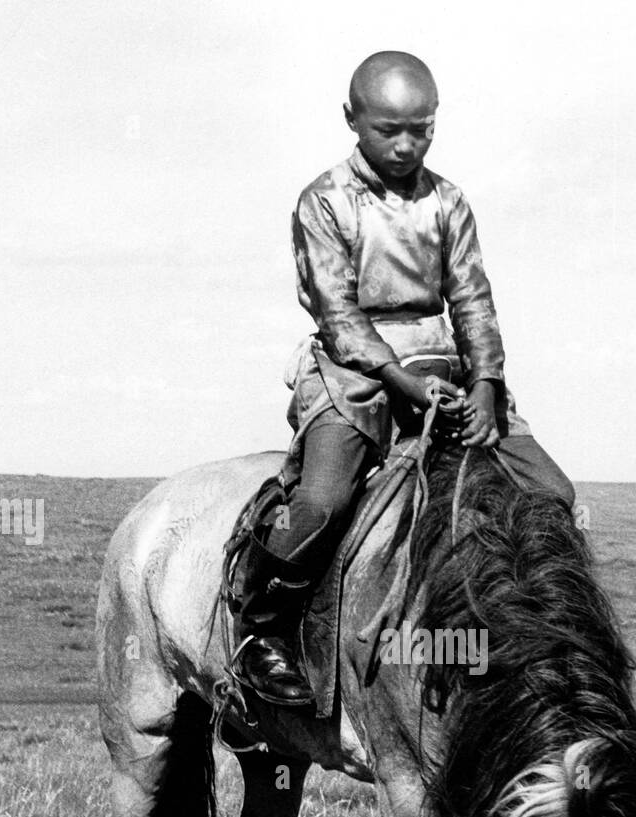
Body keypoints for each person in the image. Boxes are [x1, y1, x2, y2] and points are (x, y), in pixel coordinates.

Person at [237, 50, 576, 705]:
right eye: (387, 129)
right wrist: (398, 380)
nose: (404, 144)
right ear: (351, 120)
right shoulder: (325, 201)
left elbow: (473, 298)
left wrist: (484, 386)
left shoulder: (448, 203)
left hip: (443, 368)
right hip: (353, 371)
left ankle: (545, 639)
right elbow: (334, 311)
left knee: (551, 491)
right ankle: (262, 634)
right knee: (323, 503)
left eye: (420, 129)